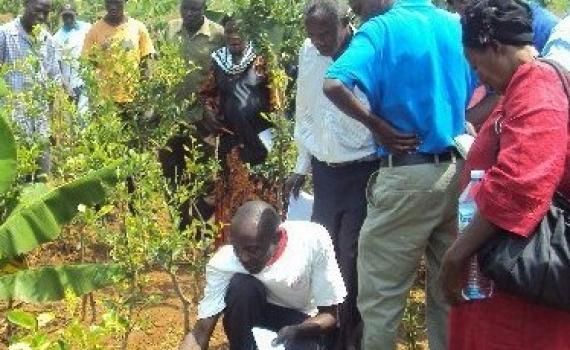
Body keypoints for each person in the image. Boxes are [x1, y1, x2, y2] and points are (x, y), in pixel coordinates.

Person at [323, 0, 476, 348]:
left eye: (357, 2)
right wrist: (464, 120)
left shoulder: (380, 30)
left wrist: (378, 127)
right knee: (447, 294)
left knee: (380, 301)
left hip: (406, 176)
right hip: (456, 172)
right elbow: (496, 84)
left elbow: (333, 83)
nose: (354, 9)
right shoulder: (454, 25)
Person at [440, 0, 570, 348]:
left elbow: (521, 183)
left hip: (521, 284)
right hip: (501, 275)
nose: (478, 75)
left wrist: (456, 256)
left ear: (495, 47)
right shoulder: (522, 87)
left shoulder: (537, 85)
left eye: (476, 64)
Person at [284, 1, 377, 348]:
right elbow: (304, 110)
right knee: (324, 255)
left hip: (361, 170)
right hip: (325, 174)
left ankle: (350, 339)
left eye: (325, 32)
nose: (319, 40)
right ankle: (327, 332)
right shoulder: (309, 51)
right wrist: (300, 166)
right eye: (312, 33)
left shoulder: (366, 50)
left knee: (350, 258)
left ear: (344, 23)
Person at [179, 201, 347, 350]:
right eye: (237, 248)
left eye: (253, 249)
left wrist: (299, 330)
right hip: (258, 314)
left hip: (301, 320)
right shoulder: (224, 262)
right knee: (242, 287)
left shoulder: (312, 241)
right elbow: (201, 331)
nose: (243, 258)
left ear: (277, 238)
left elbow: (330, 315)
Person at [200, 16, 280, 243]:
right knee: (229, 194)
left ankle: (263, 246)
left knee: (260, 194)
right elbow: (208, 94)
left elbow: (277, 101)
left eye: (239, 32)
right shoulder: (218, 62)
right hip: (231, 142)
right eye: (230, 32)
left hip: (259, 142)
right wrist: (210, 112)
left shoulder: (262, 60)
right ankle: (230, 247)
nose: (234, 37)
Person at [158, 0, 224, 231]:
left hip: (201, 119)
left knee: (205, 175)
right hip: (171, 118)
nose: (189, 14)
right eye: (185, 8)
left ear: (204, 8)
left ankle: (201, 224)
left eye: (195, 9)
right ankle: (182, 226)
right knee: (171, 173)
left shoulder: (218, 35)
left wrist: (215, 107)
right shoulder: (170, 29)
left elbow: (223, 73)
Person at [0, 0, 61, 176]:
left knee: (42, 177)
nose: (41, 17)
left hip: (40, 123)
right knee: (16, 178)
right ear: (26, 5)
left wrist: (52, 124)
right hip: (13, 123)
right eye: (37, 10)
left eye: (46, 13)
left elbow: (52, 82)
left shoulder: (46, 39)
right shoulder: (5, 35)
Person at [82, 0, 155, 107]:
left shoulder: (138, 28)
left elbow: (146, 62)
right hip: (105, 101)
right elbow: (87, 63)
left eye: (117, 2)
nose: (113, 7)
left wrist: (144, 93)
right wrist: (99, 51)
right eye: (109, 2)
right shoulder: (94, 31)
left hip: (133, 98)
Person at [53, 3, 91, 117]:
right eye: (65, 16)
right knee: (72, 116)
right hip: (70, 82)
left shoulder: (87, 28)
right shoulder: (57, 38)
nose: (68, 19)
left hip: (86, 80)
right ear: (61, 17)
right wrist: (66, 87)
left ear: (76, 15)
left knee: (84, 115)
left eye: (71, 16)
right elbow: (58, 65)